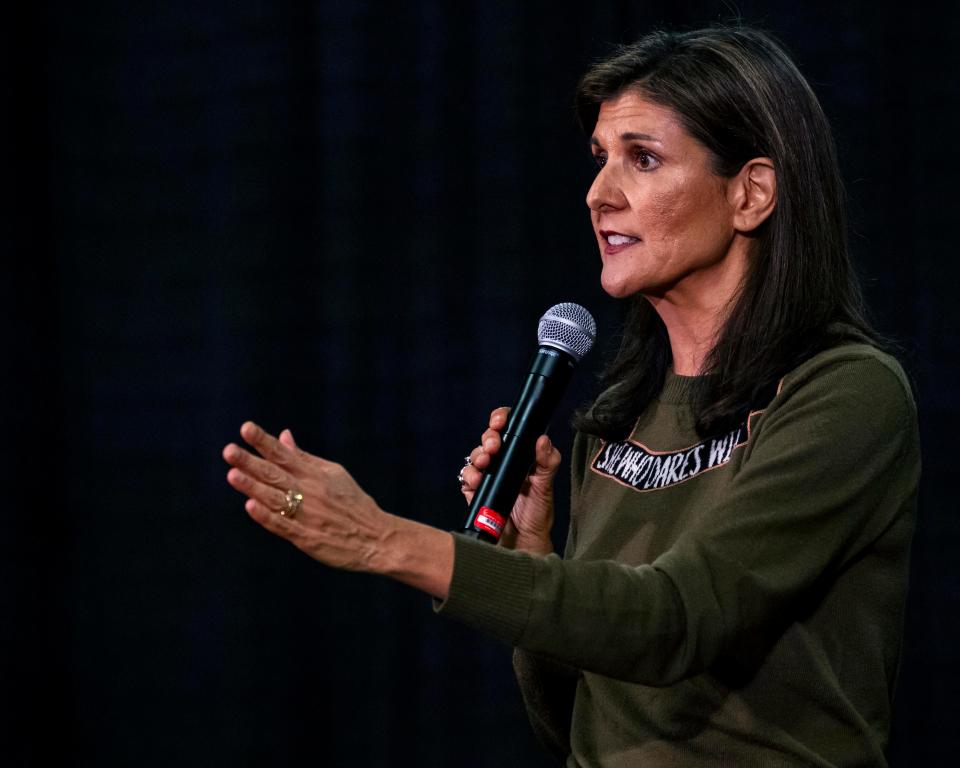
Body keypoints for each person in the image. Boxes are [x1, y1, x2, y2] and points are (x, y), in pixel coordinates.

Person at [222, 25, 920, 767]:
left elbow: (674, 621)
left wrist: (384, 539)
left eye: (642, 159)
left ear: (750, 193)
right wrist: (537, 551)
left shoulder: (846, 394)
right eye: (600, 160)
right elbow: (576, 724)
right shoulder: (617, 418)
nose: (598, 194)